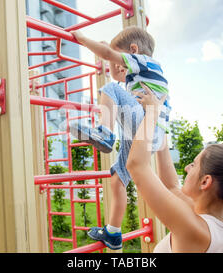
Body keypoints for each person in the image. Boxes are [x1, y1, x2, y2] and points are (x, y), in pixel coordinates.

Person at [127, 84, 223, 253]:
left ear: (205, 181)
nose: (187, 168)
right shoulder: (221, 224)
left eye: (194, 165)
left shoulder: (194, 229)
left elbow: (137, 165)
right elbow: (171, 186)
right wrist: (161, 125)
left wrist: (151, 114)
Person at [69, 26, 171, 250]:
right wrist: (107, 53)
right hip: (146, 134)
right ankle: (113, 233)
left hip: (145, 121)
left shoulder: (142, 60)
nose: (117, 67)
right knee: (118, 177)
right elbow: (116, 70)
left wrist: (85, 40)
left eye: (121, 59)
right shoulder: (142, 74)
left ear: (133, 50)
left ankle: (105, 133)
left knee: (110, 89)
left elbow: (110, 61)